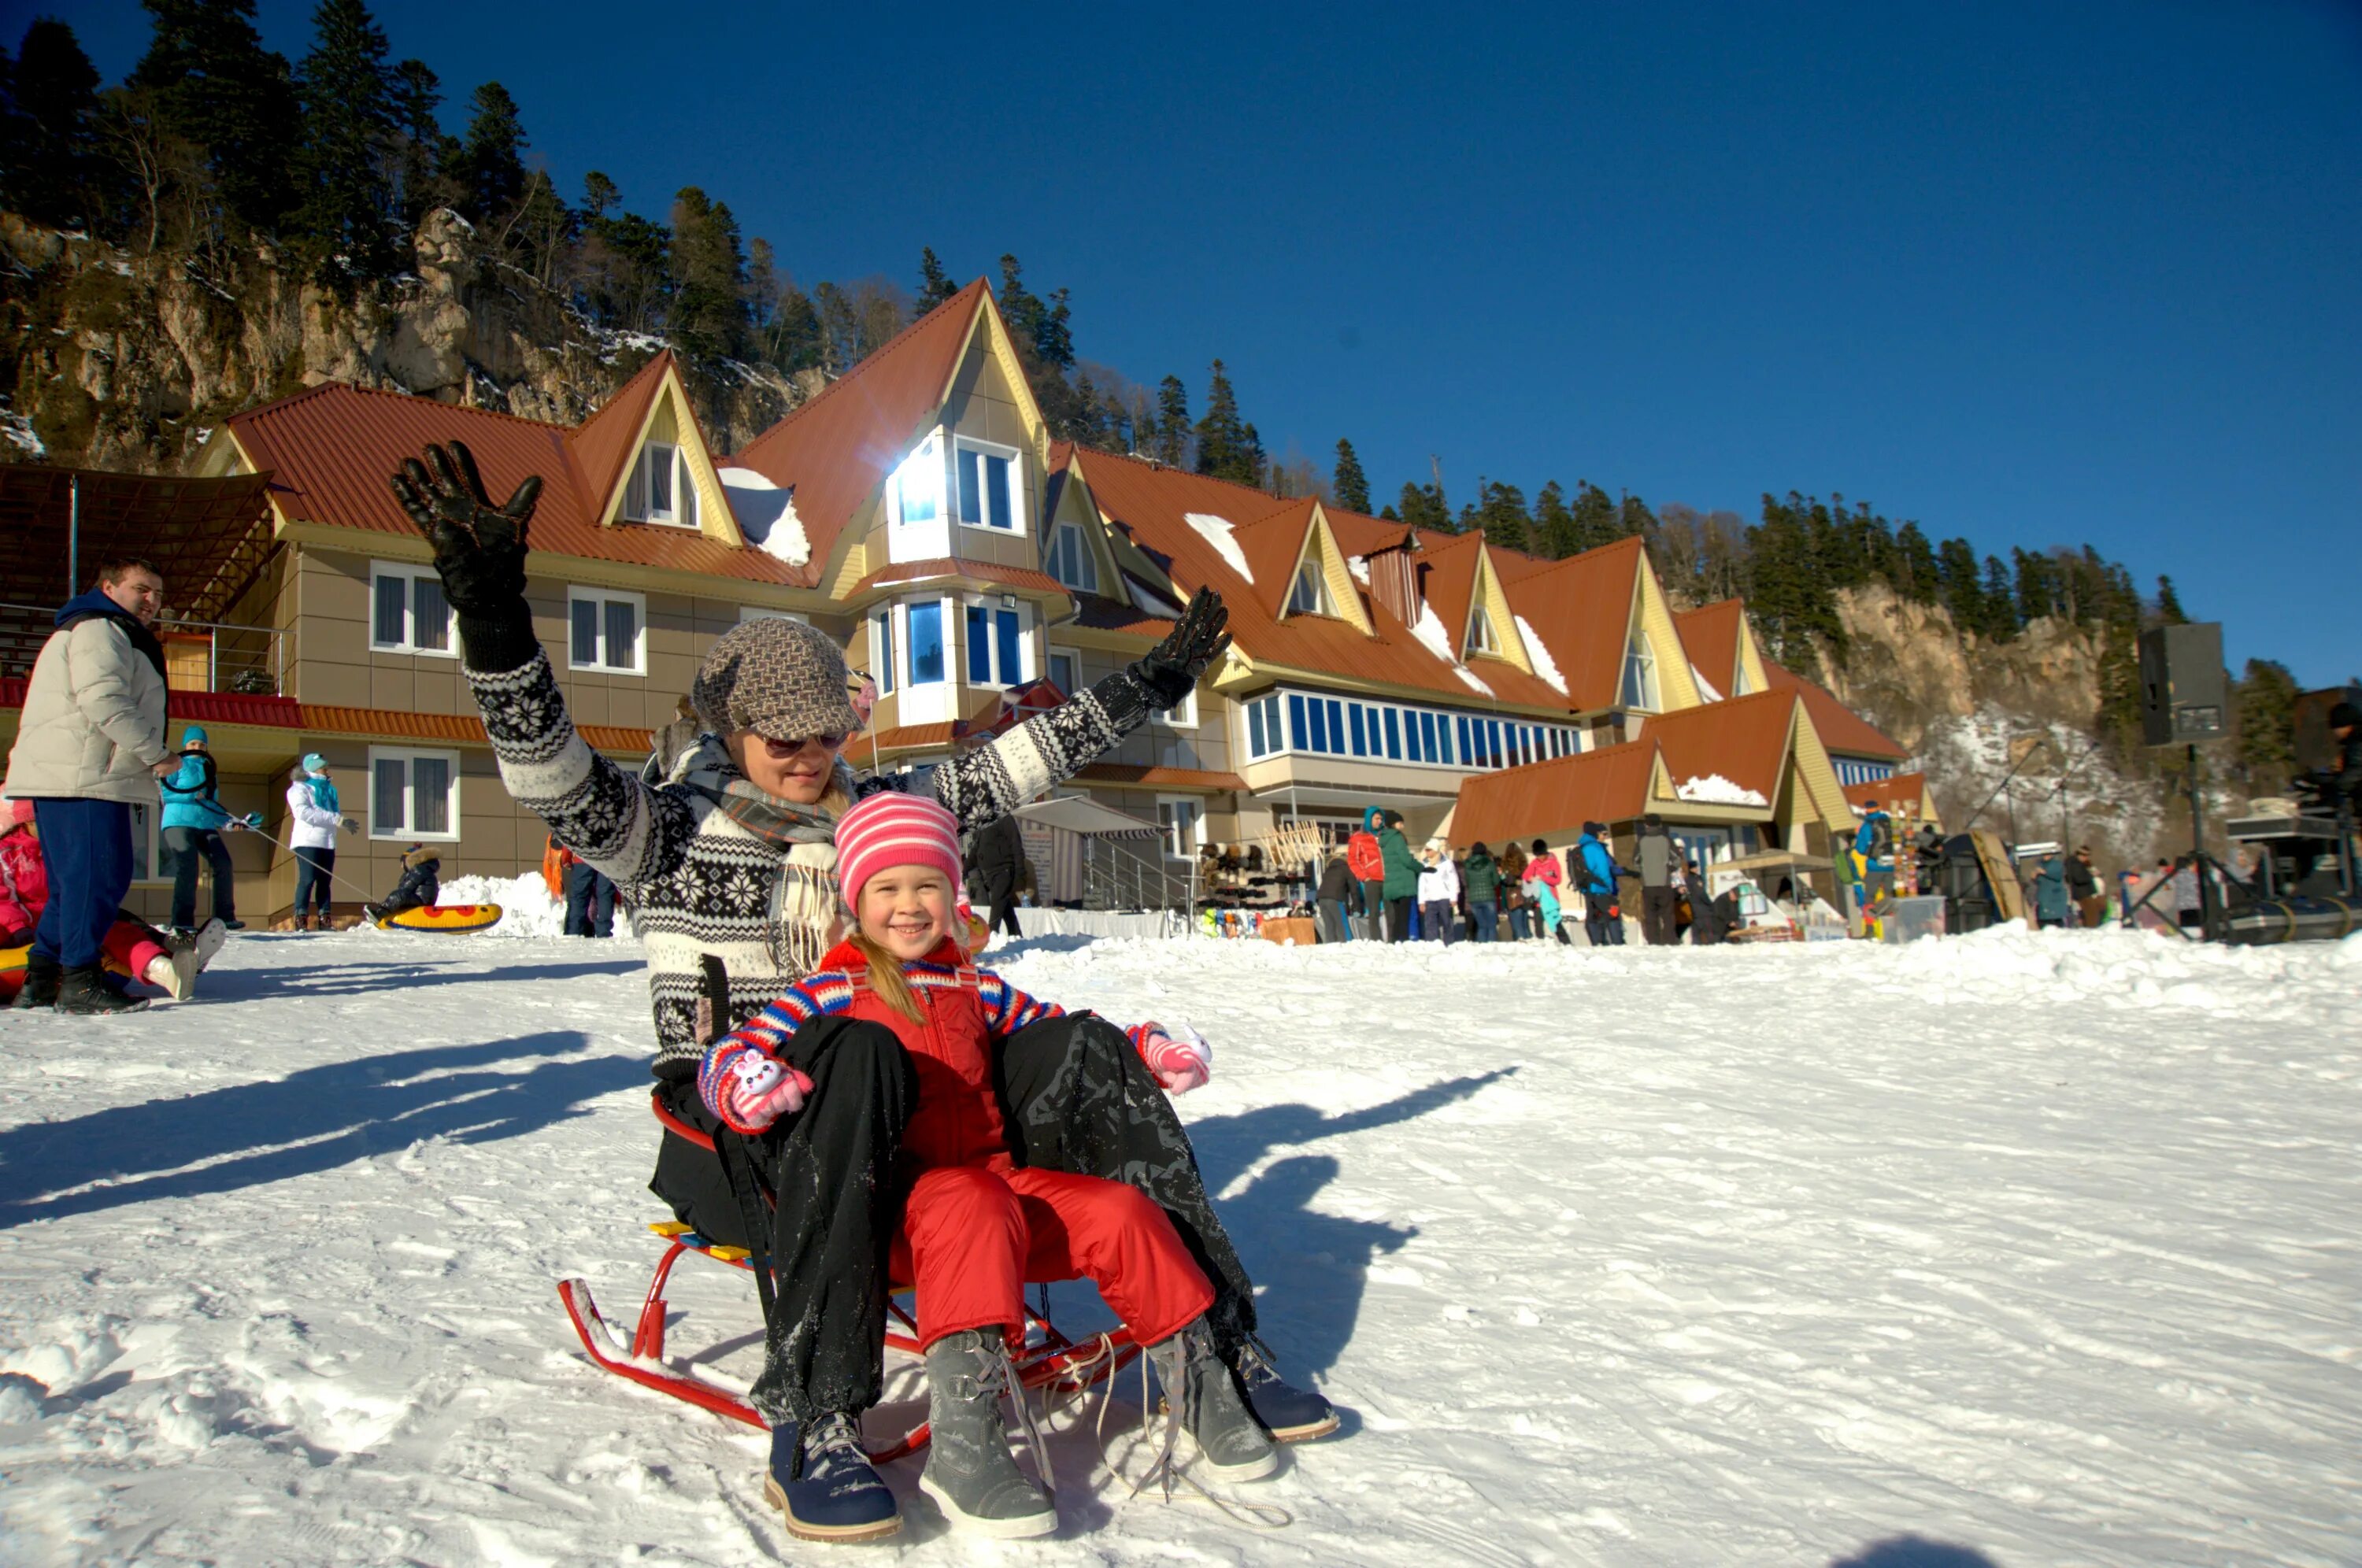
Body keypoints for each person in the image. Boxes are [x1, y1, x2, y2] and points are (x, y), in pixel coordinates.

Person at [388, 439, 1325, 1544]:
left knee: (1075, 1044)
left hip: (919, 1095)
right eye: (783, 738)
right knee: (862, 1050)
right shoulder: (666, 832)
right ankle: (819, 1419)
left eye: (828, 733)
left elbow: (1021, 761)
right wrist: (493, 617)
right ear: (729, 729)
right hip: (736, 1121)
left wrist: (1155, 682)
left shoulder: (875, 813)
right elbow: (544, 771)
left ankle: (1217, 1341)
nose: (808, 756)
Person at [702, 794, 1272, 1535]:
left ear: (953, 893)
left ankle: (1198, 1380)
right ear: (856, 900)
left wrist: (1148, 1049)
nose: (909, 907)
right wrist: (744, 1083)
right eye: (887, 889)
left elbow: (1062, 1028)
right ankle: (966, 1441)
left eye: (927, 886)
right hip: (897, 1211)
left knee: (1122, 1210)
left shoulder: (978, 986)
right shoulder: (832, 989)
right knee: (969, 1200)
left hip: (993, 1184)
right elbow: (735, 1050)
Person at [0, 557, 180, 1012]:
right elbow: (103, 699)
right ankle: (79, 979)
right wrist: (156, 753)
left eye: (157, 593)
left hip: (76, 774)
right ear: (108, 586)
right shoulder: (100, 628)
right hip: (82, 776)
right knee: (98, 876)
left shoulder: (101, 629)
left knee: (72, 884)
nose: (151, 601)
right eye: (141, 588)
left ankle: (43, 977)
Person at [0, 798, 223, 1005]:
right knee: (106, 922)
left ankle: (167, 969)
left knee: (114, 928)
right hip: (32, 927)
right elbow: (4, 897)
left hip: (71, 916)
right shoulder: (9, 852)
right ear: (27, 821)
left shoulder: (63, 848)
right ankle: (175, 954)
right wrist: (17, 927)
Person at [159, 725, 243, 934]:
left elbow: (211, 803)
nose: (197, 747)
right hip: (178, 821)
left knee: (223, 863)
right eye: (193, 744)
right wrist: (188, 795)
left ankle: (225, 917)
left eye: (202, 744)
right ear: (185, 745)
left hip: (204, 824)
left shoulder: (209, 770)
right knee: (188, 865)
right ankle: (182, 920)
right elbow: (162, 794)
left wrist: (229, 822)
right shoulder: (176, 764)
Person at [285, 754, 354, 931]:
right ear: (314, 769)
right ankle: (301, 917)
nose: (327, 771)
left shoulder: (330, 790)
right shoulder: (300, 789)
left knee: (325, 881)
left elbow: (332, 814)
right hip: (307, 840)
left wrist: (341, 821)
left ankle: (325, 917)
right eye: (324, 768)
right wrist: (336, 819)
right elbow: (304, 813)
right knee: (307, 879)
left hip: (327, 841)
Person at [966, 812, 1027, 941]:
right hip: (990, 872)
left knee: (997, 902)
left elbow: (1016, 844)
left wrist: (1020, 871)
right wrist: (963, 869)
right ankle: (1016, 934)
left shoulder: (1005, 818)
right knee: (1004, 905)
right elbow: (976, 850)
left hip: (1004, 869)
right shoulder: (983, 823)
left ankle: (990, 935)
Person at [1574, 823, 1630, 946]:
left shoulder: (1582, 847)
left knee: (1593, 916)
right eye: (1604, 833)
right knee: (1612, 914)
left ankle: (1597, 943)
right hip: (1600, 887)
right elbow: (1603, 870)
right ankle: (1618, 943)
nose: (1605, 836)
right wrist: (1609, 887)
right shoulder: (1596, 847)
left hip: (1587, 889)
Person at [367, 845, 442, 923]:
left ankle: (379, 914)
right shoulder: (423, 869)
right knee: (400, 896)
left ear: (409, 861)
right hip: (422, 901)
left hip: (421, 902)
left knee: (400, 895)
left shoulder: (419, 870)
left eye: (402, 863)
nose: (401, 866)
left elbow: (406, 888)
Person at [1635, 814, 1679, 945]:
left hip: (1648, 884)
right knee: (1667, 915)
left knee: (1650, 915)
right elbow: (1676, 859)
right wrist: (1669, 869)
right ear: (1660, 825)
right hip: (1664, 882)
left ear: (1646, 825)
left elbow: (1636, 861)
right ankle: (1669, 941)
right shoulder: (1666, 840)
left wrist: (1643, 873)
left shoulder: (1641, 841)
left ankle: (1654, 942)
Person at [1377, 809, 1420, 944]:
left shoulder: (1384, 839)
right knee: (1404, 916)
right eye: (1401, 823)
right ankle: (1404, 941)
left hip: (1391, 882)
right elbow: (1406, 859)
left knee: (1395, 916)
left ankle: (1394, 941)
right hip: (1403, 881)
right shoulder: (1397, 837)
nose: (1403, 826)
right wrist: (1421, 868)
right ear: (1394, 824)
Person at [1346, 808, 1386, 939]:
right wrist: (1364, 876)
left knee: (1390, 912)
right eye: (1376, 819)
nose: (1379, 821)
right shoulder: (1358, 838)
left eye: (1381, 819)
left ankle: (1391, 940)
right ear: (1369, 819)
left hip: (1388, 879)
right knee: (1374, 913)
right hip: (1372, 880)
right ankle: (1376, 940)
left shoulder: (1385, 835)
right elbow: (1352, 860)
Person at [1522, 836, 1568, 944]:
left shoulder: (1553, 863)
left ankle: (1567, 944)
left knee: (1556, 923)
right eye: (1537, 855)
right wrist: (1531, 878)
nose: (1540, 858)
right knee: (1538, 924)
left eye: (1541, 855)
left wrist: (1543, 878)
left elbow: (1557, 880)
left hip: (1551, 899)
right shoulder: (1534, 863)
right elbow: (1525, 876)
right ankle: (1541, 944)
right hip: (1538, 900)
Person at [1853, 799, 1896, 908]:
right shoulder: (1890, 822)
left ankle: (1871, 920)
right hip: (1892, 865)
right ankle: (1892, 915)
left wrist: (1858, 835)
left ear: (1867, 810)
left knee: (1870, 897)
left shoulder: (1866, 826)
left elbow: (1861, 849)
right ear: (1879, 807)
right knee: (1890, 895)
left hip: (1875, 866)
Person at [1416, 844, 1459, 945]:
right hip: (1430, 899)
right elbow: (1422, 883)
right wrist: (1421, 901)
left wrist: (1453, 897)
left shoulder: (1447, 863)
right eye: (1426, 850)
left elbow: (1453, 880)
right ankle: (1432, 944)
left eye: (1429, 850)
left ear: (1435, 850)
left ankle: (1449, 944)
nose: (1427, 852)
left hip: (1444, 897)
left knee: (1447, 922)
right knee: (1430, 923)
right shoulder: (1424, 864)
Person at [1314, 844, 1357, 943]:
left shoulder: (1329, 869)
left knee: (1329, 926)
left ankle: (1331, 947)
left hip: (1321, 899)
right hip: (1334, 899)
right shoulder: (1346, 868)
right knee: (1342, 925)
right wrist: (1357, 907)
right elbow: (1354, 889)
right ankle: (1348, 945)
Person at [566, 856, 618, 937]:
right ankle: (604, 933)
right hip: (606, 858)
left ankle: (574, 931)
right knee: (605, 895)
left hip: (582, 857)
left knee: (579, 897)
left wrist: (566, 857)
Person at [1461, 841, 1501, 942]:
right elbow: (1496, 881)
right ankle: (1492, 946)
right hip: (1488, 897)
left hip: (1474, 898)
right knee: (1491, 925)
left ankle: (1482, 947)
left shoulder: (1468, 865)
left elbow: (1468, 882)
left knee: (1482, 926)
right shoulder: (1489, 863)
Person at [1497, 840, 1530, 939]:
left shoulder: (1507, 865)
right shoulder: (1524, 864)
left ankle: (1522, 945)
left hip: (1513, 897)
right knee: (1525, 925)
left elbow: (1508, 881)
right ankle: (1530, 944)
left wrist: (1501, 876)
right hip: (1525, 895)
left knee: (1517, 926)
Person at [2066, 845, 2105, 928]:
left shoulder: (2081, 864)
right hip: (2083, 893)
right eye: (2085, 856)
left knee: (2093, 911)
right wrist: (2091, 875)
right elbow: (2079, 879)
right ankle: (2091, 930)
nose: (2086, 858)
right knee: (2092, 913)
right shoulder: (2075, 864)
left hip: (2086, 891)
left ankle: (2090, 927)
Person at [2032, 852, 2071, 930]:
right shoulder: (2040, 864)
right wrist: (2034, 877)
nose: (2046, 856)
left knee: (2056, 920)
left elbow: (2058, 876)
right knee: (2044, 919)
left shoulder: (2057, 864)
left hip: (2054, 897)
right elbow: (2039, 881)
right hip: (2043, 897)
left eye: (2048, 854)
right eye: (2044, 854)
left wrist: (2044, 872)